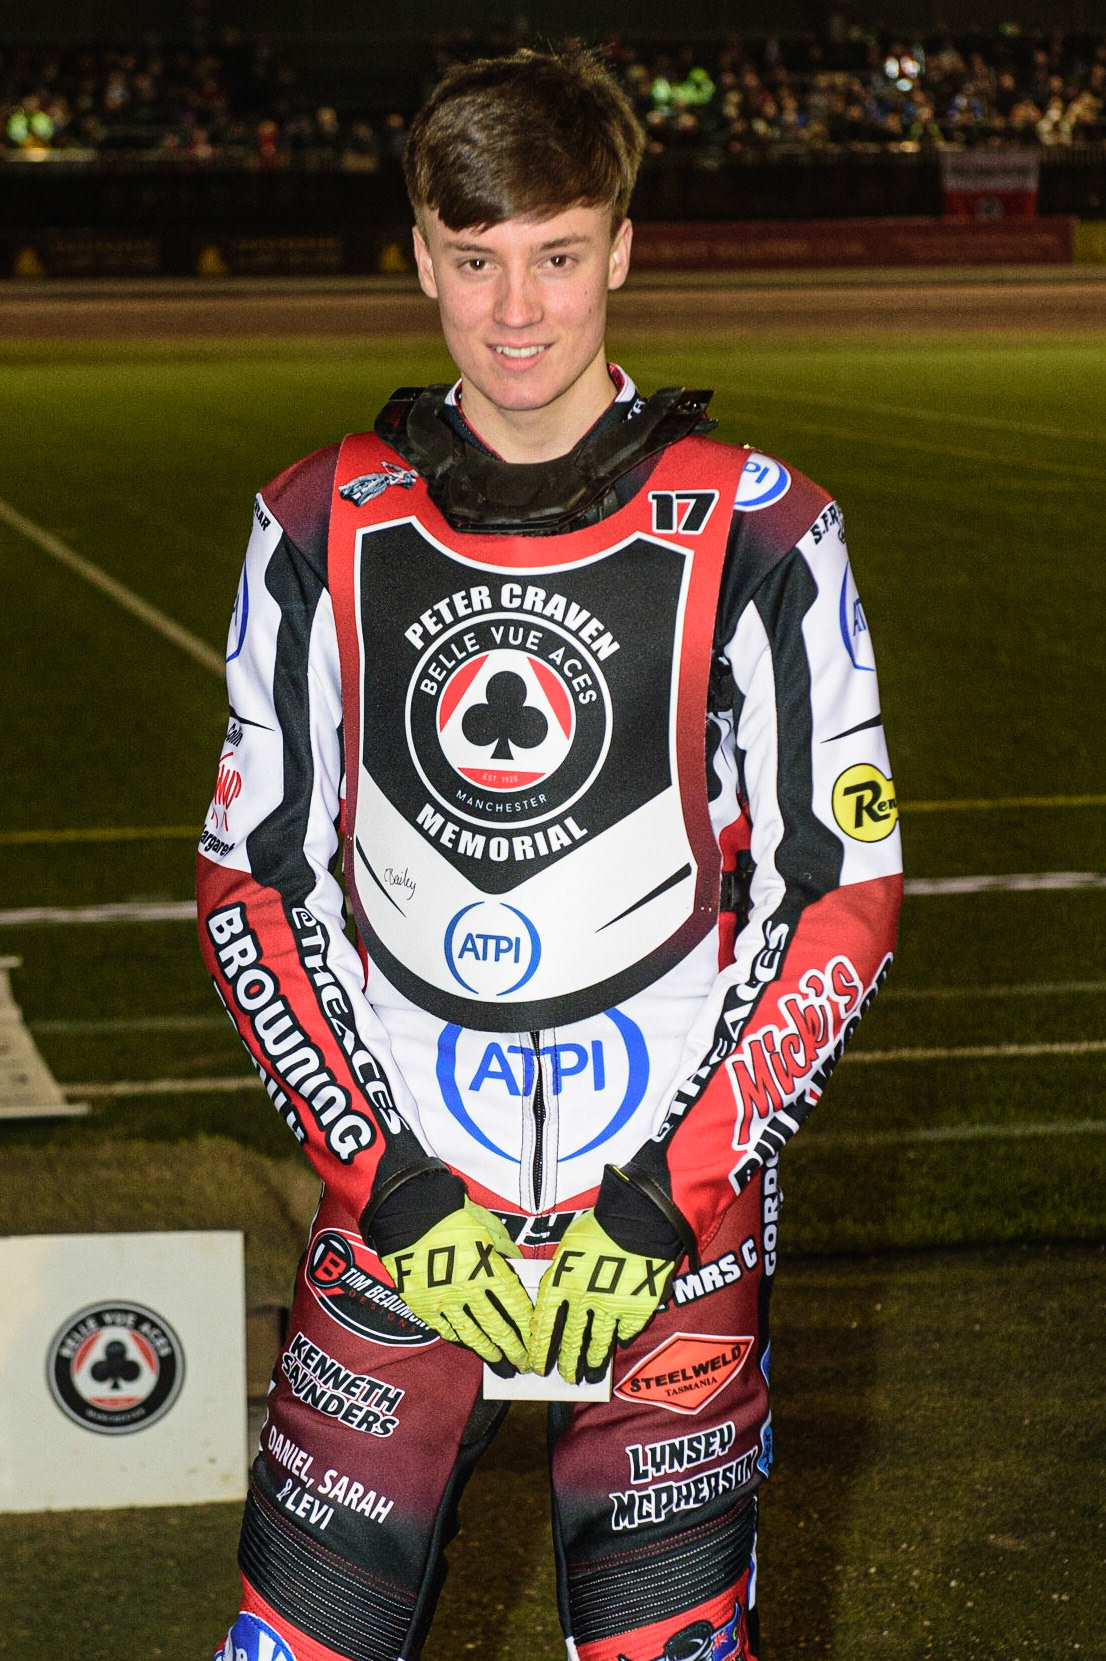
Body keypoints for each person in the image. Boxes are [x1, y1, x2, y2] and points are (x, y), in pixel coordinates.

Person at [198, 46, 902, 1661]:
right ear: (422, 258)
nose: (516, 312)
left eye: (558, 254)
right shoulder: (315, 522)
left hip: (665, 1238)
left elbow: (836, 893)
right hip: (396, 1236)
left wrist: (668, 1196)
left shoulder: (767, 528)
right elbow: (255, 883)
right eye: (474, 260)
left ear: (624, 250)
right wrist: (398, 1188)